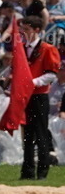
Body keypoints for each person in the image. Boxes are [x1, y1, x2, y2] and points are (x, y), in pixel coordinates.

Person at [19, 15, 61, 179]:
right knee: (27, 135)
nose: (23, 32)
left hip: (39, 96)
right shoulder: (21, 48)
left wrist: (31, 82)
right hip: (26, 96)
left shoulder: (48, 48)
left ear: (37, 30)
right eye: (23, 29)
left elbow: (51, 75)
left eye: (27, 29)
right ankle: (27, 172)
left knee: (41, 133)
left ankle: (42, 172)